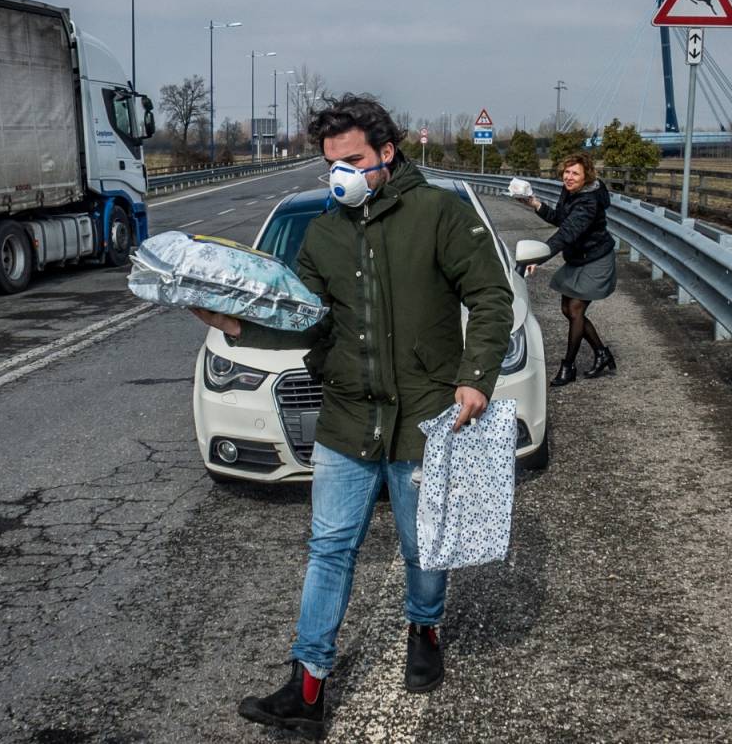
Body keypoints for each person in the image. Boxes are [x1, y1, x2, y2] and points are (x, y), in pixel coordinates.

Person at [191, 94, 513, 737]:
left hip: (427, 416)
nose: (341, 174)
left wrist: (476, 379)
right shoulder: (325, 233)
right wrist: (235, 326)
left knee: (424, 546)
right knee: (330, 548)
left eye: (355, 160)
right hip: (346, 418)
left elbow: (491, 296)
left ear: (386, 154)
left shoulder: (439, 214)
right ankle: (307, 686)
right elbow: (305, 324)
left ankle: (424, 628)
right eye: (332, 162)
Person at [520, 151, 617, 386]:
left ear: (586, 177)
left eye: (575, 173)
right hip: (578, 258)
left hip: (596, 258)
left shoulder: (589, 201)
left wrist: (538, 257)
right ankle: (601, 353)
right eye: (567, 172)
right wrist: (535, 204)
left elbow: (567, 233)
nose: (569, 177)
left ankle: (568, 366)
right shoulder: (571, 191)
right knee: (567, 308)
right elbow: (561, 218)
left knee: (575, 309)